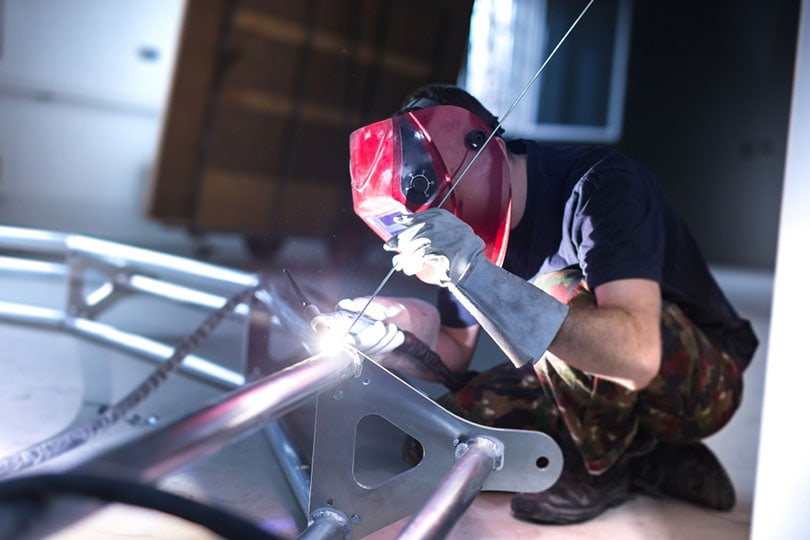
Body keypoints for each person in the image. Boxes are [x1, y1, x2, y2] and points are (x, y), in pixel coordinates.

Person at [316, 83, 758, 525]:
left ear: (480, 148)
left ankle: (601, 468)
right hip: (580, 385)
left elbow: (638, 355)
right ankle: (650, 460)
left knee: (552, 289)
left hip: (693, 384)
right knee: (442, 440)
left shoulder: (601, 185)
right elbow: (454, 346)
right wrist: (394, 335)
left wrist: (473, 273)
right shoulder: (472, 227)